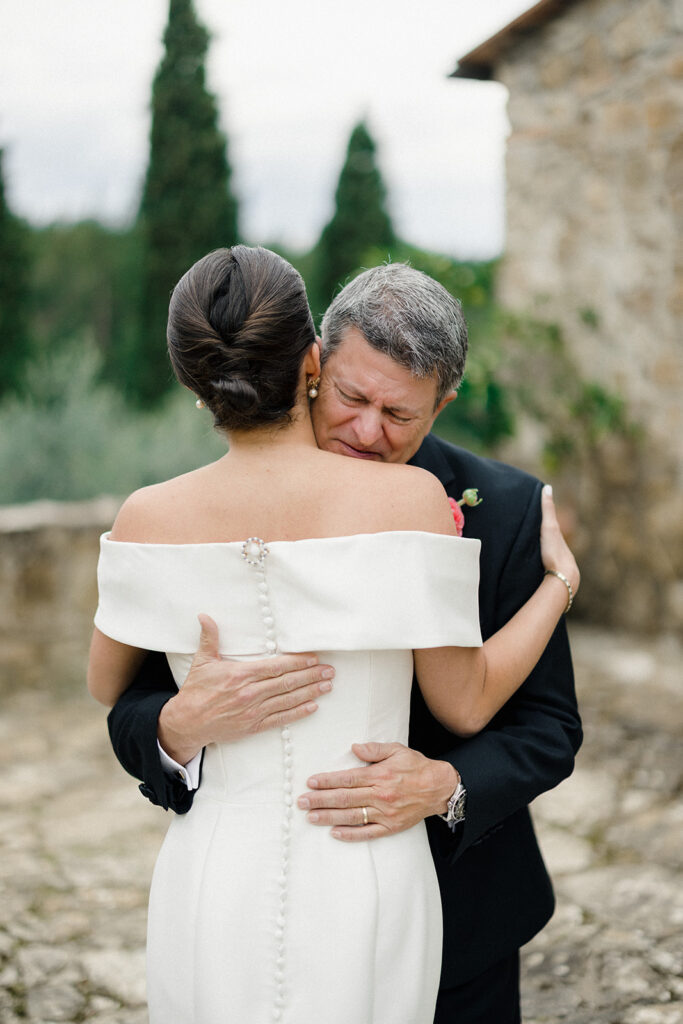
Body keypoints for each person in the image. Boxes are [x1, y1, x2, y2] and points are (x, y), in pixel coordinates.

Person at [102, 252, 582, 1023]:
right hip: (243, 905)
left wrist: (446, 787)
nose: (366, 431)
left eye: (399, 416)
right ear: (315, 365)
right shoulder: (203, 514)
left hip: (464, 918)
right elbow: (126, 700)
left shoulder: (508, 508)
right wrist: (173, 727)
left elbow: (550, 727)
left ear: (444, 402)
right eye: (351, 398)